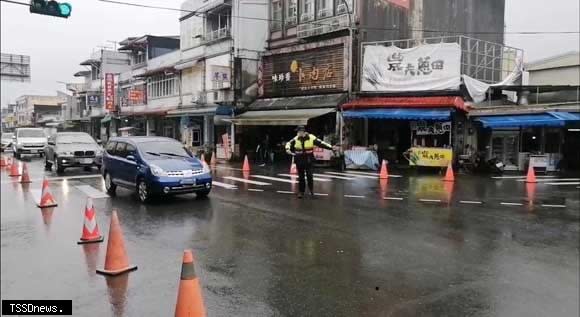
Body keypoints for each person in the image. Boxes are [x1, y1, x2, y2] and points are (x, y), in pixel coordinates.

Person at [285, 126, 335, 198]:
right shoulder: (296, 138)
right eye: (297, 132)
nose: (297, 133)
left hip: (308, 159)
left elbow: (321, 143)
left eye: (298, 132)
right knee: (301, 176)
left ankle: (311, 191)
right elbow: (288, 143)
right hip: (299, 159)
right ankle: (301, 192)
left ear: (302, 132)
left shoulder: (311, 137)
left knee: (309, 175)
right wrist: (287, 149)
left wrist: (331, 147)